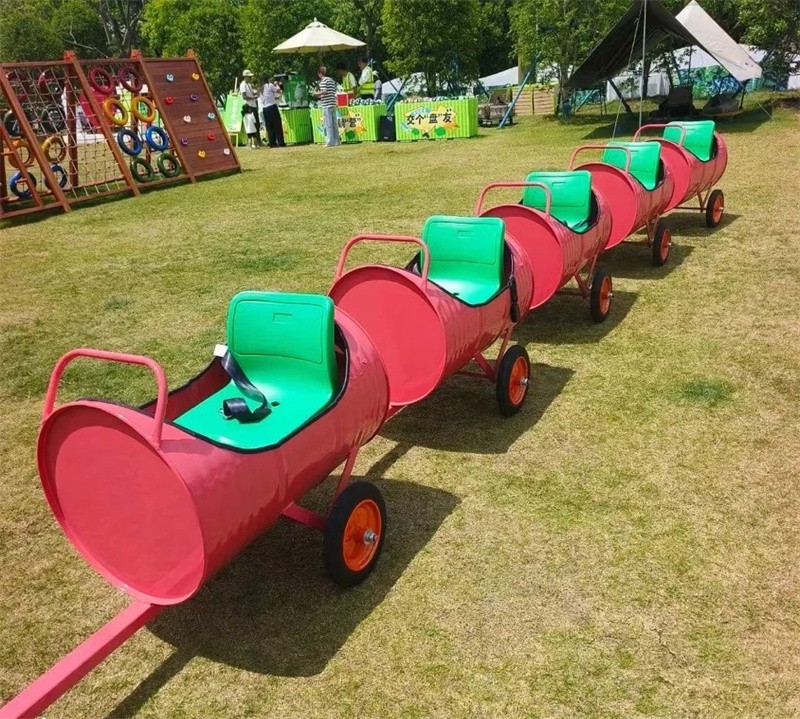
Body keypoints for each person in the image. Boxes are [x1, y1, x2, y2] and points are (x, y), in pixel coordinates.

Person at [313, 66, 339, 148]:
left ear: (320, 73)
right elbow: (333, 90)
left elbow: (324, 91)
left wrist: (316, 94)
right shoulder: (331, 80)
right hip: (333, 103)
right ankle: (336, 140)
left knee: (328, 124)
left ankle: (329, 142)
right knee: (334, 124)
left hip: (327, 104)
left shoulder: (323, 81)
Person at [260, 74, 286, 148]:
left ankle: (272, 143)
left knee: (269, 127)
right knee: (277, 125)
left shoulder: (260, 88)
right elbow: (278, 91)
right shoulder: (269, 85)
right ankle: (280, 142)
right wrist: (277, 84)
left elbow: (268, 97)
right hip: (272, 107)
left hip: (265, 109)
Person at [239, 69, 261, 146]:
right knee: (251, 125)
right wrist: (253, 98)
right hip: (249, 107)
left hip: (253, 105)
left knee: (256, 124)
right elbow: (244, 96)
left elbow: (252, 93)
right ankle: (253, 142)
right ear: (245, 76)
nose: (251, 78)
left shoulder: (249, 84)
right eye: (249, 77)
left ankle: (258, 141)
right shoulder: (243, 85)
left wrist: (257, 92)